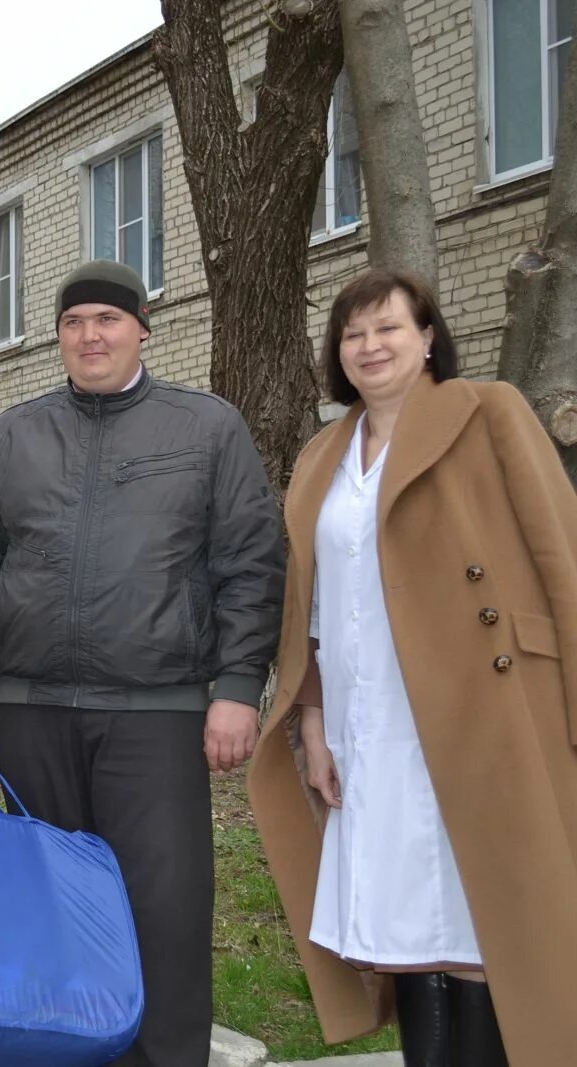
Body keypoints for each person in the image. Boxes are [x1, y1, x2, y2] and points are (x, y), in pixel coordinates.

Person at [0, 260, 285, 1066]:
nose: (89, 335)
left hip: (156, 714)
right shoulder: (15, 434)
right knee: (51, 914)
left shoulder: (205, 427)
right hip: (31, 712)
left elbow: (250, 563)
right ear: (58, 336)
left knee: (163, 912)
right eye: (73, 322)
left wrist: (236, 687)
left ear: (142, 329)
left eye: (107, 319)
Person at [248, 270, 577, 1066]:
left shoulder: (488, 410)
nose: (370, 346)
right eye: (353, 335)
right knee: (405, 930)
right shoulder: (323, 454)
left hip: (486, 706)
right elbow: (314, 608)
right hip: (373, 719)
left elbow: (559, 552)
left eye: (388, 328)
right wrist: (314, 722)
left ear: (428, 337)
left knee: (483, 916)